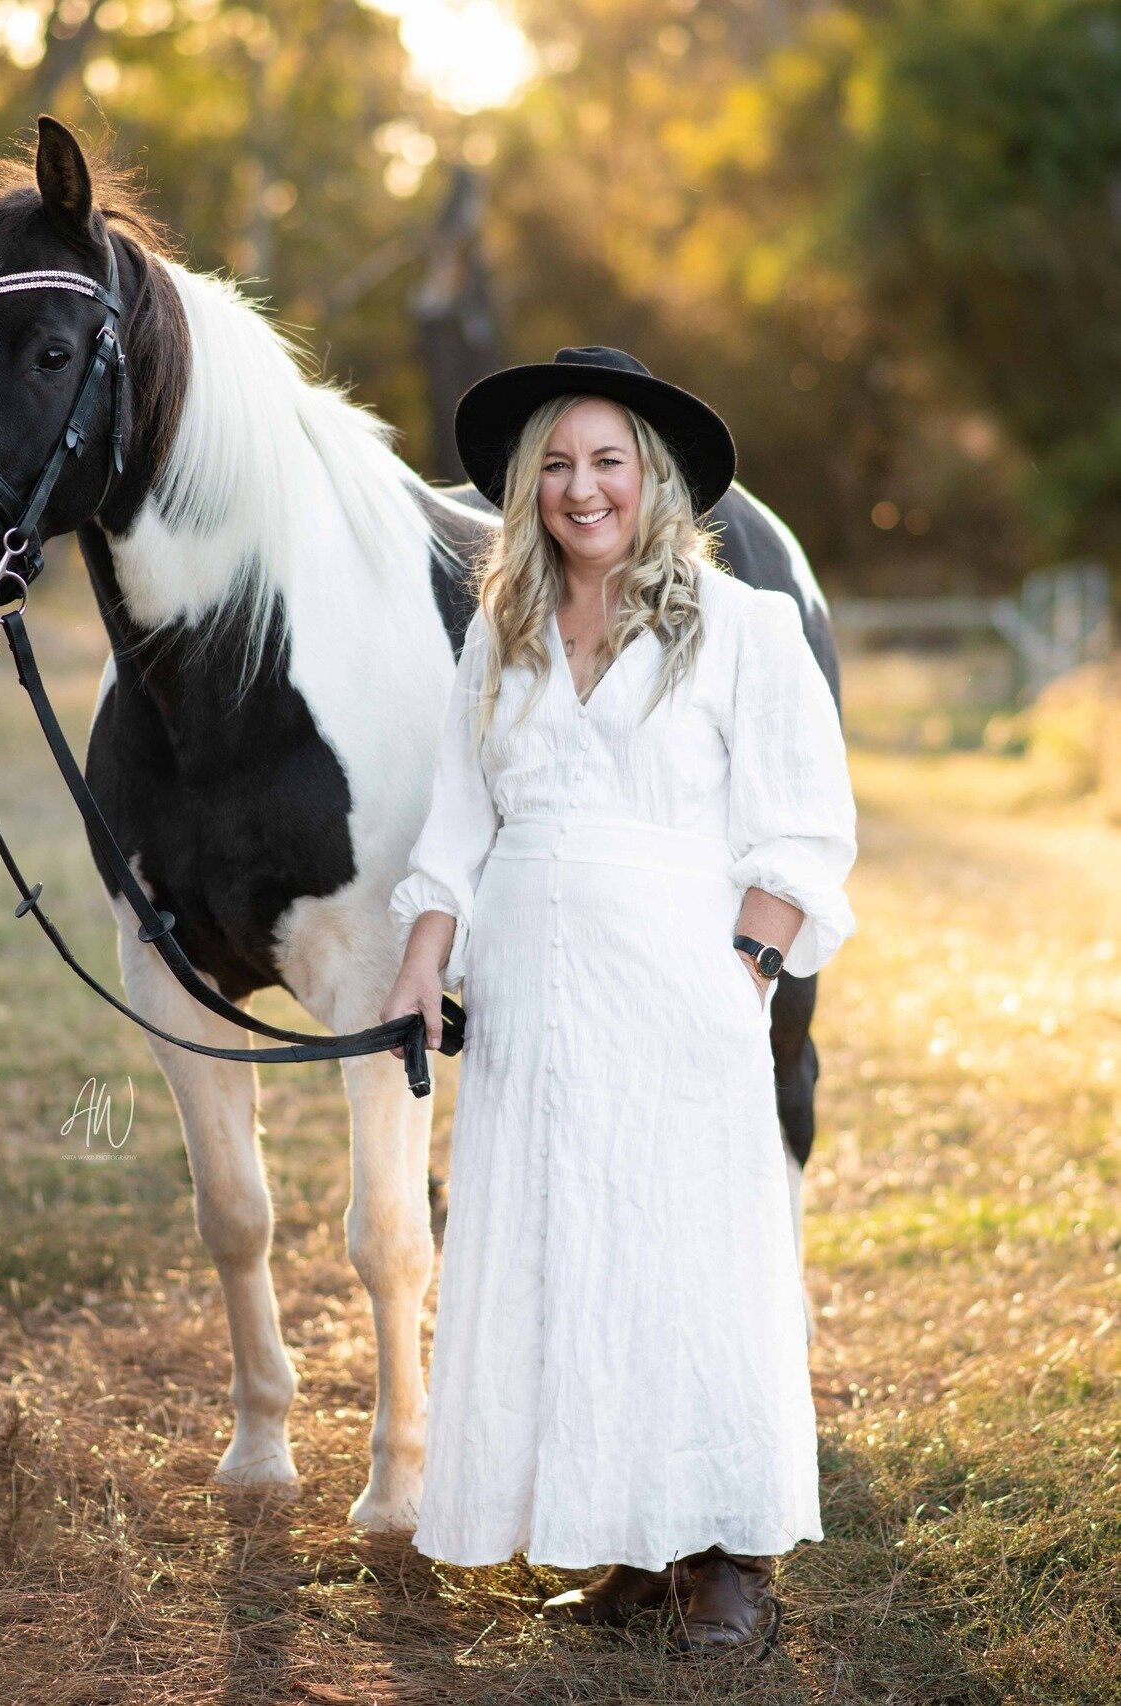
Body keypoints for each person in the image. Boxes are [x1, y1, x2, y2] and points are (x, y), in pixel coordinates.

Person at [380, 346, 858, 1656]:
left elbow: (801, 829)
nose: (581, 489)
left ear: (651, 483)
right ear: (529, 490)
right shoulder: (502, 633)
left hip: (678, 991)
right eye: (556, 466)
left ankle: (727, 1560)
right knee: (567, 1258)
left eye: (606, 463)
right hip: (533, 1001)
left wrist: (742, 973)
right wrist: (424, 954)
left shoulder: (742, 626)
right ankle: (625, 1552)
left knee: (685, 1257)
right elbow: (455, 826)